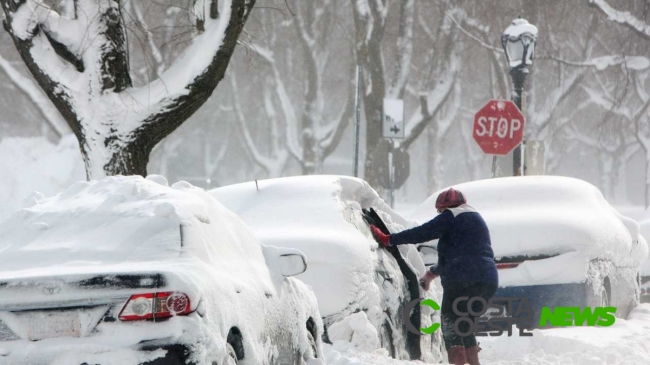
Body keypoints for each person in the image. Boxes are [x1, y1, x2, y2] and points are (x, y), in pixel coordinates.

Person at [369, 188, 497, 365]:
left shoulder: (451, 215)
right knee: (465, 324)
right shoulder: (476, 217)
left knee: (450, 324)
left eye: (440, 211)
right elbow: (464, 255)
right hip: (488, 280)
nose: (440, 214)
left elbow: (422, 232)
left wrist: (388, 239)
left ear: (445, 208)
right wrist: (431, 273)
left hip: (462, 279)